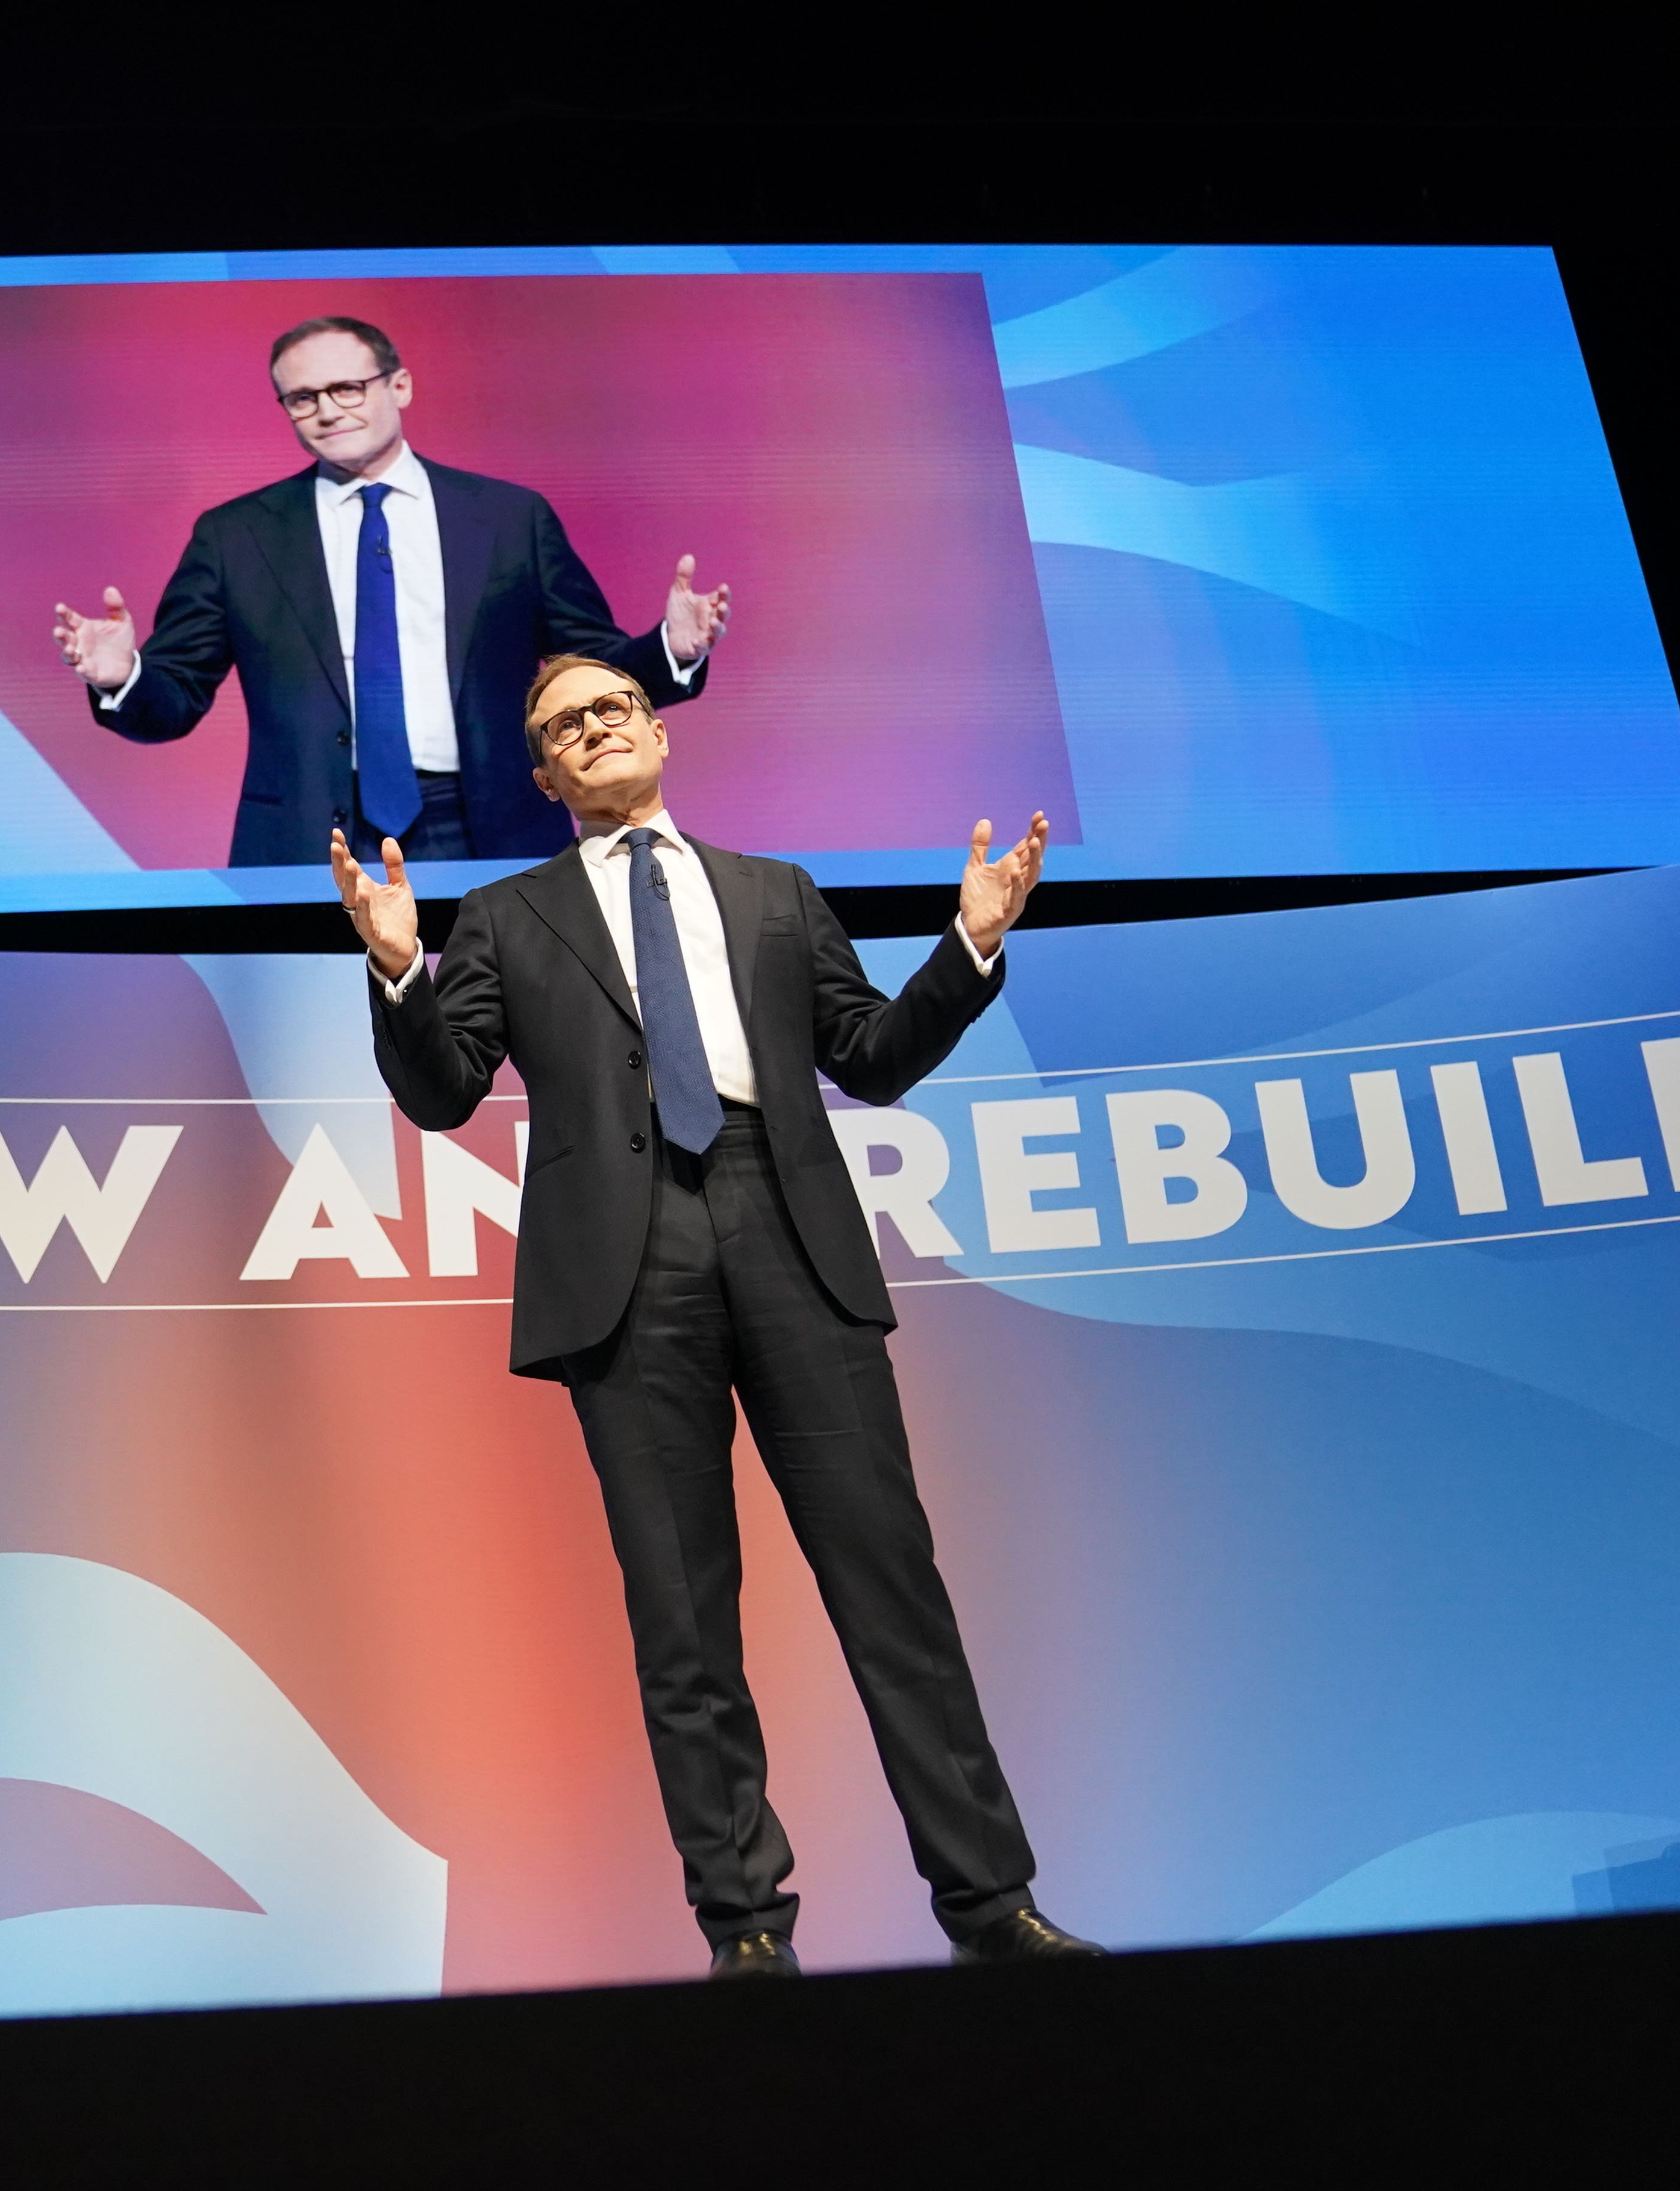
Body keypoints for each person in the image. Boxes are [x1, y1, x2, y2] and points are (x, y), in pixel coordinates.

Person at [329, 654, 1102, 1977]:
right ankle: (745, 1928)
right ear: (543, 775)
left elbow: (869, 1056)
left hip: (785, 1228)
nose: (594, 729)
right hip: (626, 1268)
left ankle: (992, 1909)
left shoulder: (774, 892)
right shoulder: (506, 915)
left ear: (654, 731)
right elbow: (445, 1095)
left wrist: (968, 946)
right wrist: (401, 973)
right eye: (564, 726)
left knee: (891, 1590)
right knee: (683, 1619)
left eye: (613, 707)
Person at [54, 316, 731, 867]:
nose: (327, 411)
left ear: (399, 386)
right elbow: (173, 699)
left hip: (484, 822)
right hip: (307, 836)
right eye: (303, 398)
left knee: (499, 1025)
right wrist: (124, 676)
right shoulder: (235, 536)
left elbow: (593, 673)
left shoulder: (505, 518)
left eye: (347, 388)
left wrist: (672, 648)